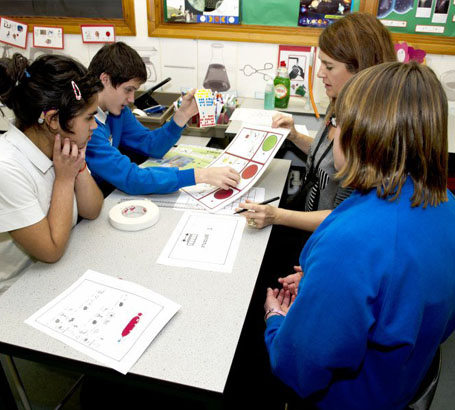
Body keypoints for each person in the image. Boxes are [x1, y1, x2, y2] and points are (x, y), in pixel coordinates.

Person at [264, 61, 455, 409]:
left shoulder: (352, 241)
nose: (331, 132)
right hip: (404, 383)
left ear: (365, 134)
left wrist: (276, 321)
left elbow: (298, 367)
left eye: (335, 122)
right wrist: (320, 285)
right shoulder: (447, 205)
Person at [239, 12, 396, 233]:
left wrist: (276, 215)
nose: (320, 73)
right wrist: (295, 136)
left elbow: (345, 218)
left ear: (361, 70)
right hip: (307, 215)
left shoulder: (371, 130)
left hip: (325, 233)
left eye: (329, 67)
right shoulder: (339, 101)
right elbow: (328, 155)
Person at [0, 53, 104, 294]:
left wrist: (78, 166)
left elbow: (92, 210)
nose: (95, 126)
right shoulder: (6, 166)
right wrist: (65, 179)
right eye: (89, 117)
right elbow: (51, 250)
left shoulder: (61, 148)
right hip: (15, 290)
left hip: (50, 275)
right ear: (53, 119)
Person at [86, 42, 239, 196]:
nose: (132, 99)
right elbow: (132, 179)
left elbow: (150, 145)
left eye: (134, 91)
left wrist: (181, 117)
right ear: (104, 79)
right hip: (98, 200)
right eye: (128, 90)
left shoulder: (117, 111)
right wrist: (202, 175)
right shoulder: (86, 126)